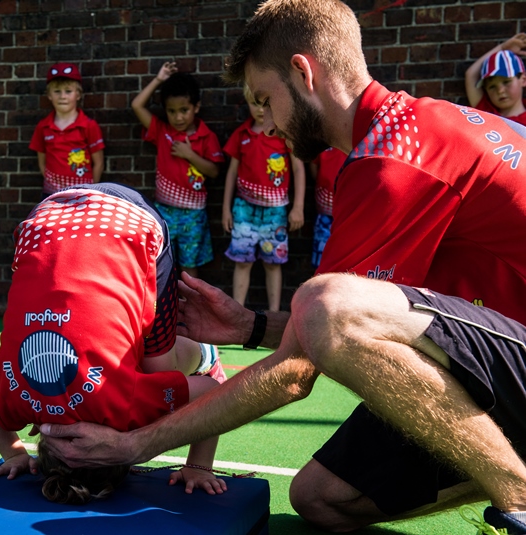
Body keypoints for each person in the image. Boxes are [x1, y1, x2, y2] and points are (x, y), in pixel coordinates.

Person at [40, 1, 526, 533]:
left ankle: (520, 495)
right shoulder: (409, 129)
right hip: (507, 348)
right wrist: (251, 327)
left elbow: (304, 362)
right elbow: (351, 331)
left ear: (304, 72)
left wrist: (133, 444)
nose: (266, 119)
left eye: (265, 99)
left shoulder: (394, 162)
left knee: (327, 304)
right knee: (321, 498)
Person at [0, 182, 228, 505]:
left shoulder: (126, 408)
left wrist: (199, 466)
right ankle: (200, 353)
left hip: (129, 224)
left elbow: (212, 392)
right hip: (46, 219)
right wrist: (13, 453)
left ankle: (205, 355)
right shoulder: (12, 400)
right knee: (156, 367)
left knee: (159, 370)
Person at [132, 61, 224, 278]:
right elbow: (137, 106)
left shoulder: (207, 137)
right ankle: (164, 305)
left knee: (190, 267)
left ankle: (188, 307)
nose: (178, 117)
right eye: (172, 111)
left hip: (194, 215)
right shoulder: (162, 131)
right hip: (164, 212)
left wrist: (189, 155)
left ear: (196, 107)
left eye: (184, 110)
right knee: (161, 262)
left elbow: (214, 172)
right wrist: (158, 80)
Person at [221, 84, 305, 310]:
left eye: (264, 104)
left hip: (275, 212)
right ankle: (237, 311)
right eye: (254, 104)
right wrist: (225, 209)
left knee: (273, 263)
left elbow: (298, 169)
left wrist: (298, 207)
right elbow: (231, 172)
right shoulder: (242, 135)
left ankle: (273, 314)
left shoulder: (284, 133)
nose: (260, 109)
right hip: (243, 209)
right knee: (243, 261)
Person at [29, 63, 105, 198]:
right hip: (52, 194)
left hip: (82, 194)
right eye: (57, 91)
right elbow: (42, 161)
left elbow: (98, 163)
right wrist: (52, 183)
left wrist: (90, 191)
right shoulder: (43, 127)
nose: (62, 96)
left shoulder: (88, 126)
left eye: (68, 91)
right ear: (49, 95)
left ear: (78, 95)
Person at [464, 33, 526, 126]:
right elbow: (471, 75)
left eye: (506, 82)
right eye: (492, 87)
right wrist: (503, 47)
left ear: (523, 80)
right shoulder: (486, 113)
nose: (500, 91)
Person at [308, 146, 346, 268]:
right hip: (324, 212)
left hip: (348, 214)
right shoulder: (322, 140)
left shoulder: (355, 142)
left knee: (345, 262)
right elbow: (314, 168)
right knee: (321, 262)